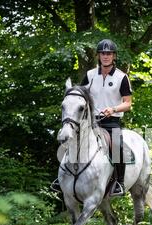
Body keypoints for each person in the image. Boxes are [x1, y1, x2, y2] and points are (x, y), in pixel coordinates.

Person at [52, 39, 132, 197]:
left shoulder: (122, 77)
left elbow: (128, 104)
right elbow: (80, 96)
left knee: (117, 145)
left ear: (114, 56)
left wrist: (113, 109)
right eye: (103, 53)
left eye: (109, 53)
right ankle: (61, 179)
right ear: (98, 56)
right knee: (68, 139)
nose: (106, 56)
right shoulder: (90, 75)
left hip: (111, 121)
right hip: (90, 121)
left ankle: (119, 183)